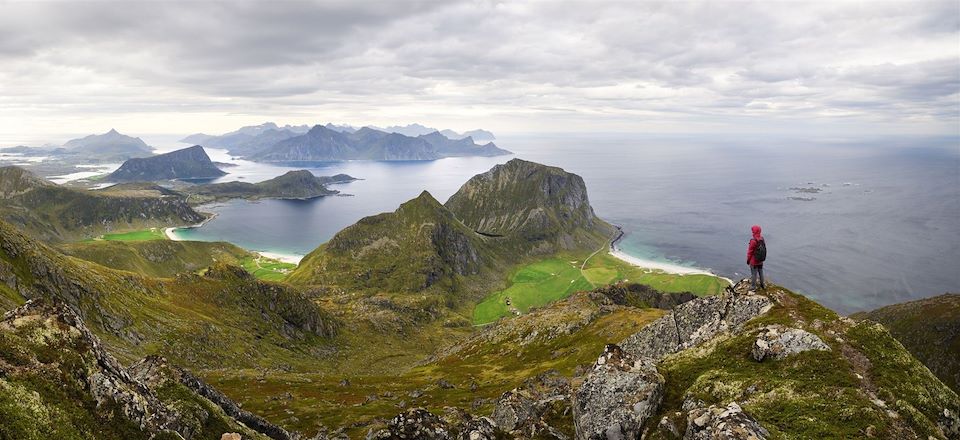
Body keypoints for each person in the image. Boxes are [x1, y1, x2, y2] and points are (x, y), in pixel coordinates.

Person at [746, 224, 766, 290]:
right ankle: (763, 285)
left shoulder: (753, 241)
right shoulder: (762, 238)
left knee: (754, 274)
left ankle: (753, 286)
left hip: (754, 261)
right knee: (761, 272)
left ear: (754, 231)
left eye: (752, 231)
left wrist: (748, 260)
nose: (752, 232)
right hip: (760, 260)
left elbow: (750, 252)